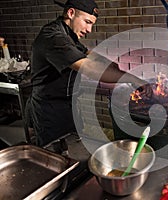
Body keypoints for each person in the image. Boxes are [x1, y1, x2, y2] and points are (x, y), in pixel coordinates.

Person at [29, 0, 147, 147]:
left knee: (74, 148)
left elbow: (88, 53)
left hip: (68, 105)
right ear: (71, 13)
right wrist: (131, 78)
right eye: (87, 22)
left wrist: (110, 64)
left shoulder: (68, 35)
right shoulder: (52, 37)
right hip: (50, 110)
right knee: (54, 155)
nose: (89, 29)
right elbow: (89, 67)